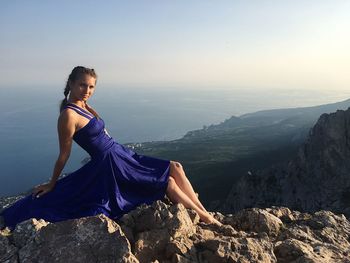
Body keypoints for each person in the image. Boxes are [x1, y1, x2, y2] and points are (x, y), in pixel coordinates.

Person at [0, 66, 221, 231]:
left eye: (91, 86)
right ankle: (206, 219)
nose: (87, 90)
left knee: (176, 167)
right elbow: (64, 155)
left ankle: (202, 211)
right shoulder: (68, 115)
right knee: (168, 183)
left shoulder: (83, 105)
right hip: (110, 164)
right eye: (82, 85)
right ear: (71, 83)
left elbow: (100, 131)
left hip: (120, 153)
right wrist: (52, 183)